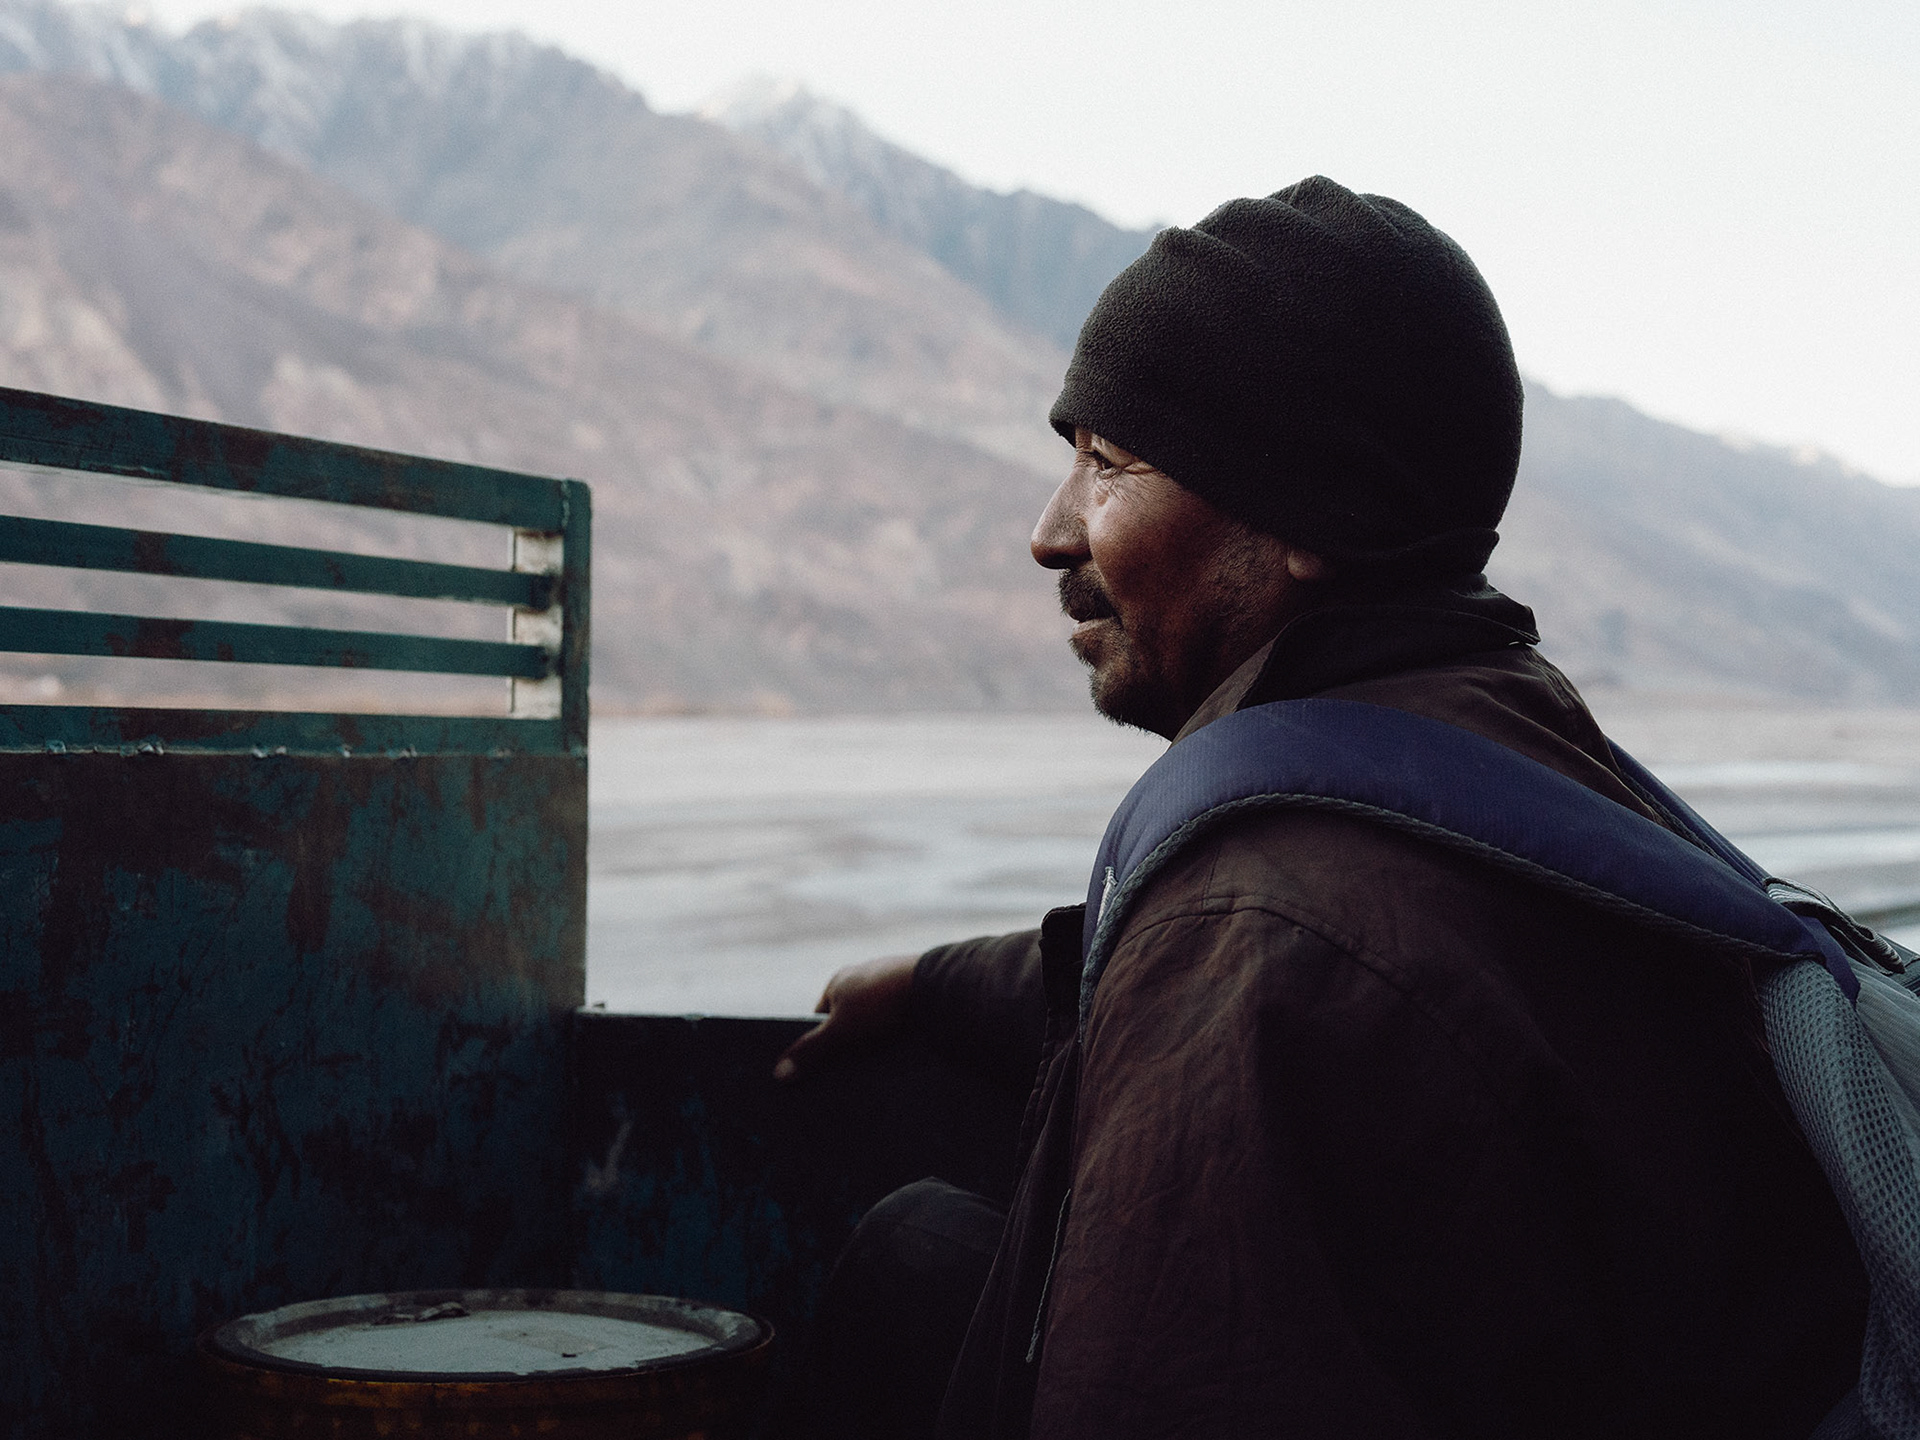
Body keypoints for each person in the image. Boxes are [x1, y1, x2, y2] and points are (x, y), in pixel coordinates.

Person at [772, 176, 1868, 1440]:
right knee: (919, 1254)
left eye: (1108, 464)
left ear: (1309, 520)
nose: (1050, 532)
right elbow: (1189, 971)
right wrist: (927, 980)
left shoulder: (1264, 938)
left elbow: (1274, 976)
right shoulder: (1491, 726)